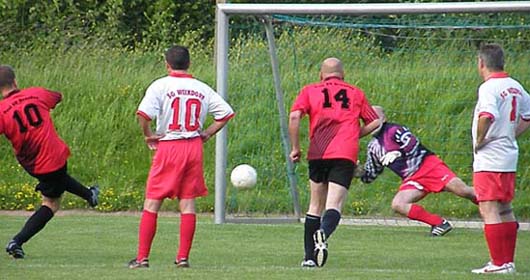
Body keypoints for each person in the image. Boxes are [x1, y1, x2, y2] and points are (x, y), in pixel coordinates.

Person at [128, 45, 234, 269]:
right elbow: (225, 114)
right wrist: (206, 133)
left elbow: (144, 115)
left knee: (152, 201)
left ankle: (142, 257)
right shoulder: (202, 88)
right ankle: (183, 257)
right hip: (193, 146)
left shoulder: (161, 85)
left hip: (170, 145)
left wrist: (149, 135)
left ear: (167, 64)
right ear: (189, 64)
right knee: (187, 204)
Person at [0, 65, 99, 259]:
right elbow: (57, 97)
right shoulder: (36, 93)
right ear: (15, 81)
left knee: (57, 179)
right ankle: (17, 241)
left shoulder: (2, 111)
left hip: (31, 164)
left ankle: (90, 195)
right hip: (53, 156)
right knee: (51, 204)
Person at [289, 57, 380, 268]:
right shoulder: (355, 92)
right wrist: (354, 134)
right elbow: (375, 121)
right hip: (344, 153)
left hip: (318, 152)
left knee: (314, 205)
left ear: (321, 75)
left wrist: (295, 148)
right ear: (343, 75)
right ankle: (323, 232)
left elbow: (294, 117)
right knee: (334, 204)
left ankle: (309, 258)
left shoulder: (310, 90)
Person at [355, 106, 477, 237]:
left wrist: (397, 153)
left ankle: (493, 202)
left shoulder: (394, 130)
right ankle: (439, 223)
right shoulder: (373, 147)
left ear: (383, 118)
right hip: (412, 178)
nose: (370, 122)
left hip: (429, 166)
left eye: (375, 117)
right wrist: (357, 172)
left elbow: (412, 143)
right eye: (367, 119)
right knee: (398, 204)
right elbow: (370, 175)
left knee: (463, 191)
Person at [470, 43, 530, 274]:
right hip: (508, 155)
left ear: (481, 63)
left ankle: (497, 263)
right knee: (504, 207)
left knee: (488, 207)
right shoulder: (515, 86)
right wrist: (510, 133)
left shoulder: (489, 88)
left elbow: (487, 115)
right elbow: (527, 115)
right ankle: (507, 262)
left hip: (490, 157)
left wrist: (480, 139)